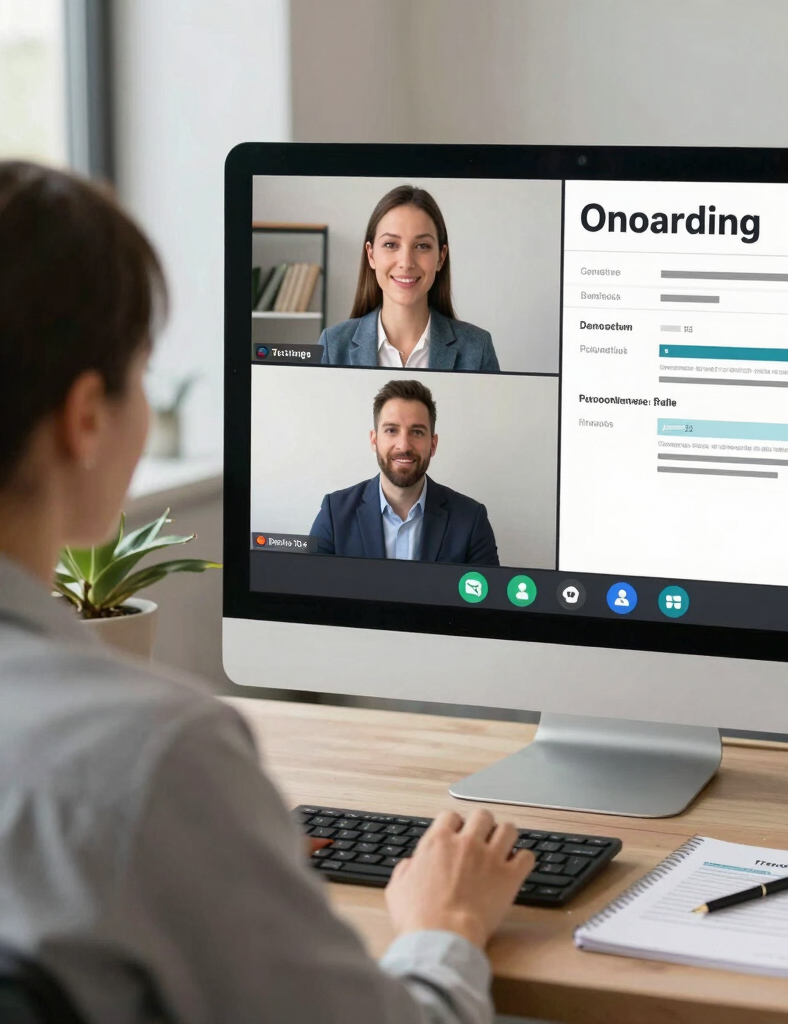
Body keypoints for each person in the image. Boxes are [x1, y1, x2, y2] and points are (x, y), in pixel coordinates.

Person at [0, 161, 533, 1023]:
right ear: (85, 418)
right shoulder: (156, 757)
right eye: (142, 373)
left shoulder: (472, 399)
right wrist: (447, 925)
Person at [310, 379, 500, 565]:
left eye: (416, 432)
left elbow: (488, 594)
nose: (403, 445)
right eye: (392, 430)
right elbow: (309, 589)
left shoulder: (471, 518)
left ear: (433, 445)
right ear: (374, 441)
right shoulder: (334, 513)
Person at [320, 185, 500, 371]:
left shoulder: (478, 348)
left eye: (422, 246)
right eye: (391, 244)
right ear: (371, 255)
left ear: (441, 257)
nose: (406, 262)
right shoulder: (333, 345)